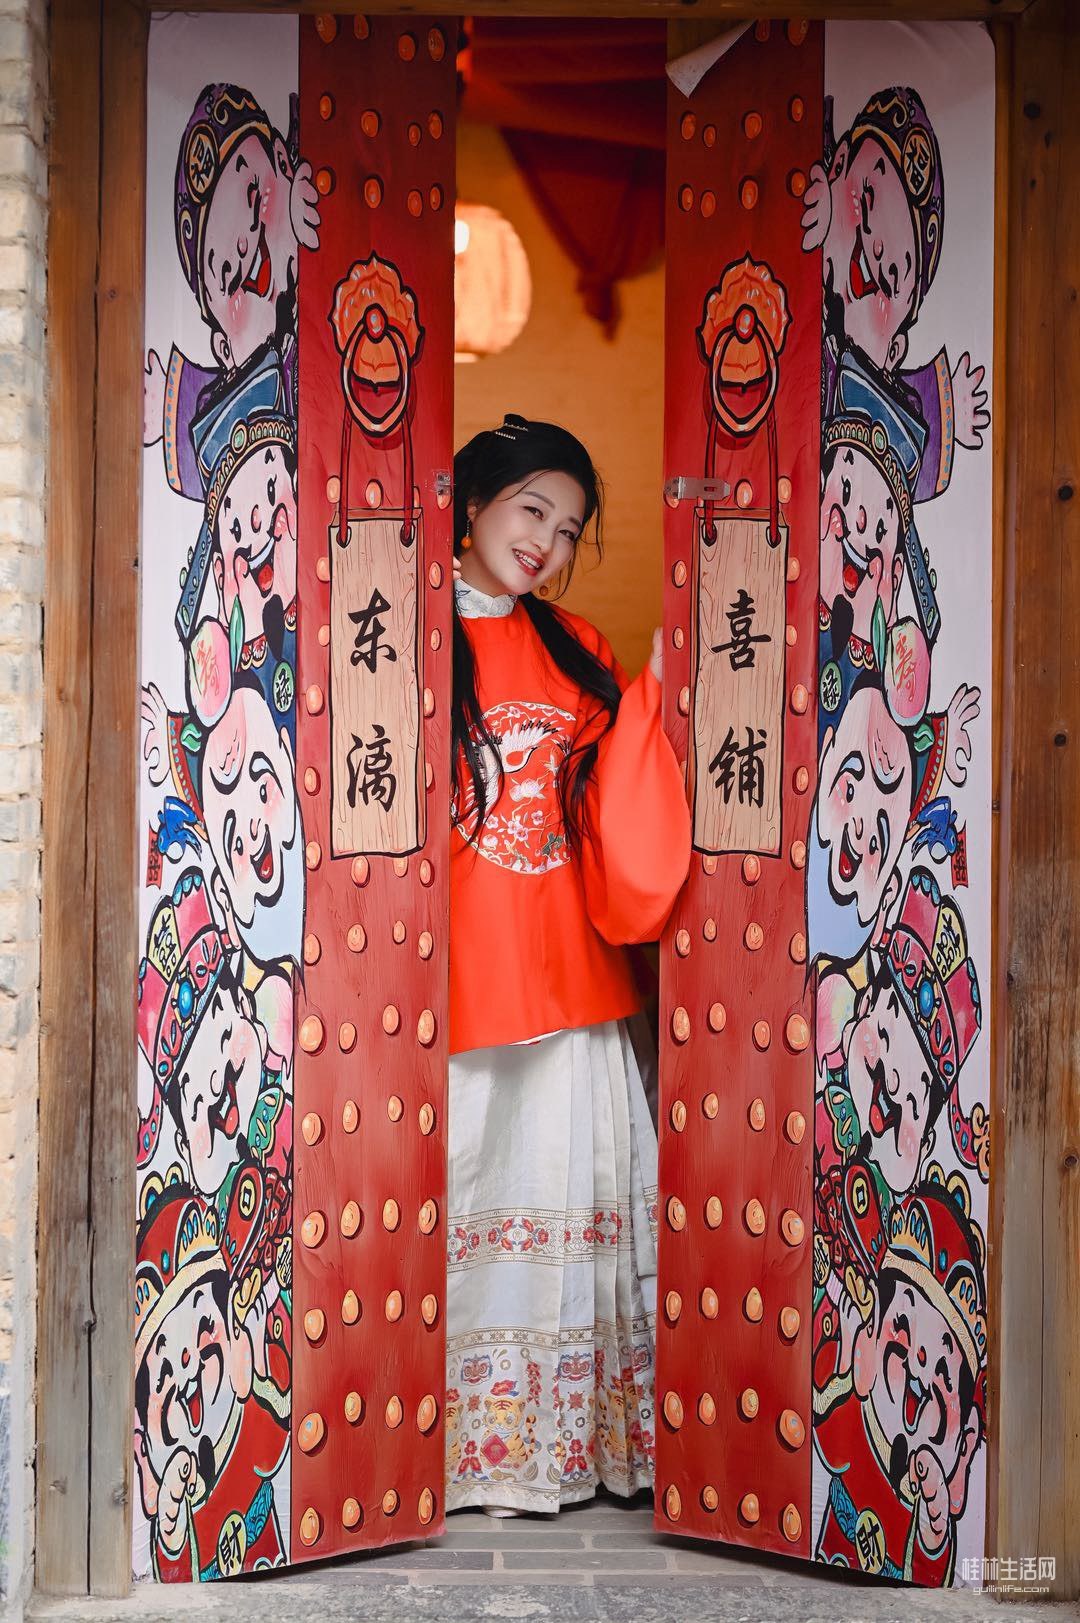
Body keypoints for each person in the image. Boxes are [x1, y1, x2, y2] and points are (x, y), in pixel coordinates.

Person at [444, 414, 691, 1518]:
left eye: (569, 527)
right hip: (457, 972)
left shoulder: (578, 646)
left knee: (557, 1194)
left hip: (570, 971)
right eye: (532, 509)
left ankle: (554, 1450)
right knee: (465, 1187)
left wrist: (662, 684)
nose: (546, 540)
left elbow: (615, 803)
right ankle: (450, 1451)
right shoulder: (398, 629)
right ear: (473, 504)